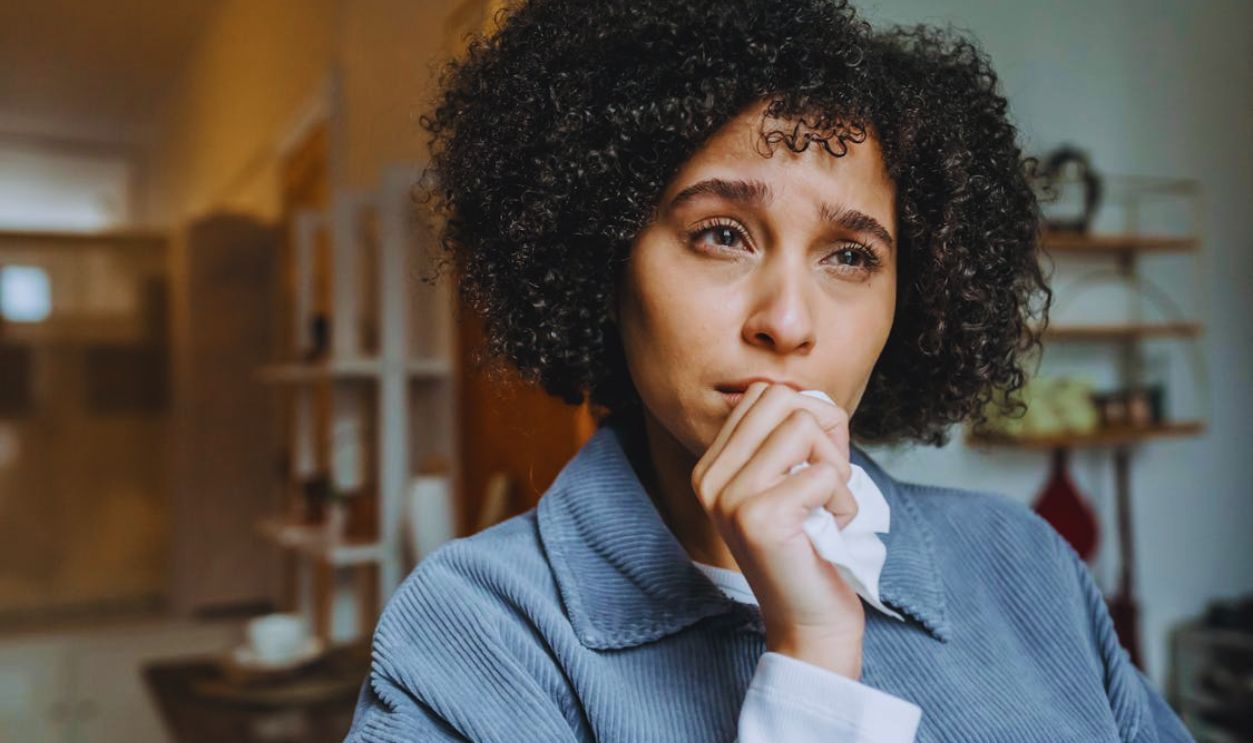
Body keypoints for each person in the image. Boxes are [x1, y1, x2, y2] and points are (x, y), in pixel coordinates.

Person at [346, 0, 1196, 740]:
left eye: (849, 256)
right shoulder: (474, 630)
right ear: (602, 257)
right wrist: (812, 657)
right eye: (722, 234)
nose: (786, 322)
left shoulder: (1022, 561)